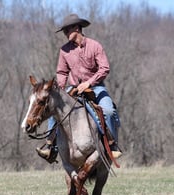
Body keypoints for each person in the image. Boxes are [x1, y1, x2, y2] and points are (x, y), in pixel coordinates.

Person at [36, 13, 122, 161]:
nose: (65, 33)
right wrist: (61, 89)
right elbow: (62, 72)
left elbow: (104, 68)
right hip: (73, 89)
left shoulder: (95, 46)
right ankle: (50, 146)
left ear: (77, 28)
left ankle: (111, 146)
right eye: (64, 31)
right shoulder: (64, 51)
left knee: (107, 111)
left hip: (96, 87)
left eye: (67, 30)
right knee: (54, 107)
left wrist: (89, 83)